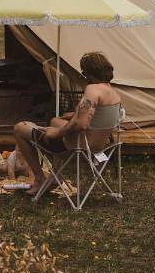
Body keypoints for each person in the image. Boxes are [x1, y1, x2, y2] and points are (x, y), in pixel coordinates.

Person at [13, 51, 122, 197]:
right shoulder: (113, 94)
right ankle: (54, 177)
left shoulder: (92, 90)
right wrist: (73, 115)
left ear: (88, 73)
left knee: (20, 128)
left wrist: (56, 133)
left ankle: (39, 179)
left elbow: (80, 125)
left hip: (76, 149)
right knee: (55, 121)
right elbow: (95, 116)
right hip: (98, 148)